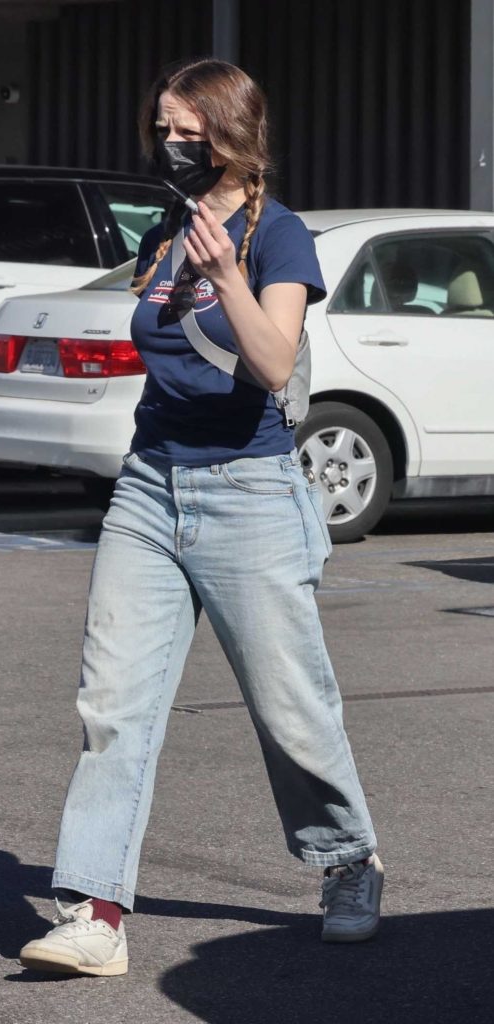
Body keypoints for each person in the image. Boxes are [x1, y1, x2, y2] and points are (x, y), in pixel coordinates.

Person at [19, 58, 383, 978]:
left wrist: (225, 277)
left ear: (235, 136)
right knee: (113, 707)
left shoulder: (280, 238)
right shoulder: (163, 236)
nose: (174, 147)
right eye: (165, 131)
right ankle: (94, 913)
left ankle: (347, 861)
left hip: (250, 494)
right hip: (149, 487)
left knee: (291, 707)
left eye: (192, 133)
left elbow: (271, 363)